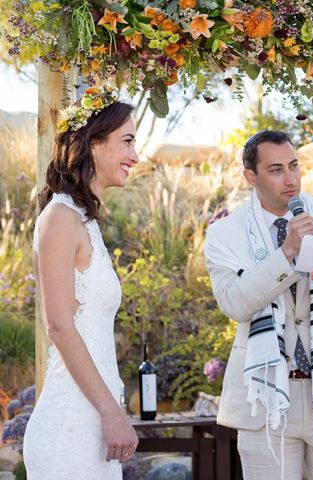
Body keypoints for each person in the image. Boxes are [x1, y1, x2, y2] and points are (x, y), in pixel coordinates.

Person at [204, 130, 313, 480]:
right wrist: (287, 253)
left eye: (294, 166)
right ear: (250, 177)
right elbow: (235, 303)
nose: (291, 179)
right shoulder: (226, 233)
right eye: (276, 170)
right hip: (265, 398)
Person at [23, 86, 140, 479]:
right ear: (93, 144)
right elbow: (59, 324)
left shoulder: (84, 220)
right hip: (71, 430)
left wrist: (111, 413)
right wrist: (112, 414)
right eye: (127, 141)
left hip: (94, 428)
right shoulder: (59, 218)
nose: (135, 156)